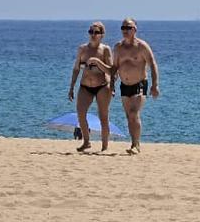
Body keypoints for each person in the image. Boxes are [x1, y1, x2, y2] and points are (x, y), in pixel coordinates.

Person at [111, 18, 160, 155]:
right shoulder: (118, 47)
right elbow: (114, 67)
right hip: (124, 85)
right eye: (123, 28)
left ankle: (136, 144)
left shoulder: (142, 46)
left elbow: (152, 64)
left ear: (135, 30)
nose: (125, 30)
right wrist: (111, 85)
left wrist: (155, 85)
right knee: (129, 116)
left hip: (139, 83)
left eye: (128, 28)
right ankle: (133, 143)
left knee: (134, 113)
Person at [68, 22, 113, 152]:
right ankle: (86, 141)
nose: (93, 35)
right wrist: (71, 87)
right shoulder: (82, 49)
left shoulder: (105, 49)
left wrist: (98, 62)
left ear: (102, 35)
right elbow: (76, 69)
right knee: (81, 113)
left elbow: (111, 70)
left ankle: (104, 146)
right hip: (85, 85)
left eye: (96, 32)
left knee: (103, 116)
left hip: (102, 86)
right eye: (91, 32)